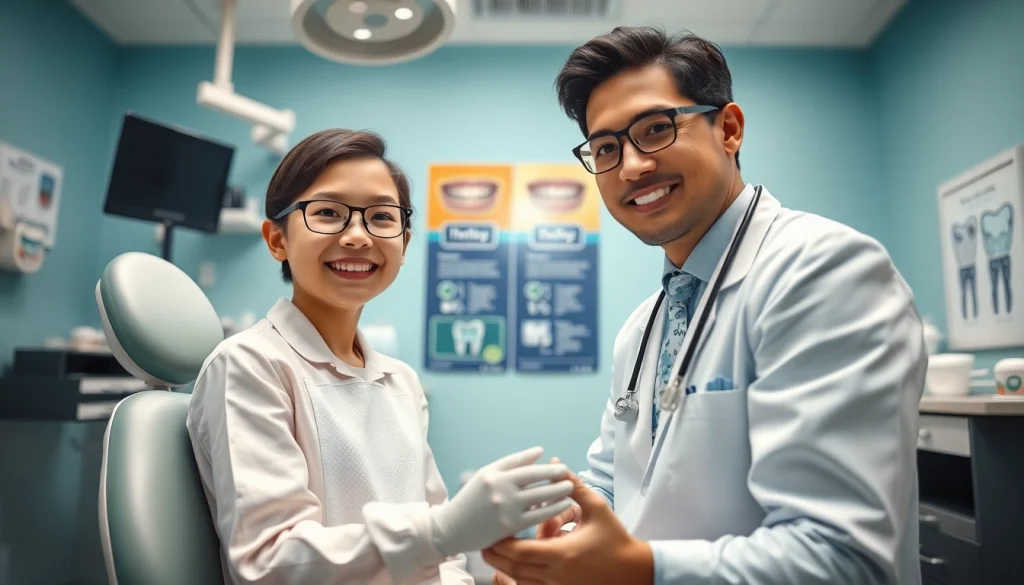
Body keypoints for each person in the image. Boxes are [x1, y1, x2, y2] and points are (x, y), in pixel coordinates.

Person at [483, 27, 927, 585]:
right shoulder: (644, 326)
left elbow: (843, 559)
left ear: (729, 129)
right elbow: (616, 479)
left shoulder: (824, 271)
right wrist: (561, 547)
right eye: (606, 148)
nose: (632, 168)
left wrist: (634, 570)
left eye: (655, 130)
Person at [186, 129, 575, 585]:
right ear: (277, 240)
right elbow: (269, 563)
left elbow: (440, 558)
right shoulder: (249, 364)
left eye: (381, 217)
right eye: (328, 212)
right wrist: (441, 532)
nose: (357, 236)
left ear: (404, 244)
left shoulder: (401, 382)